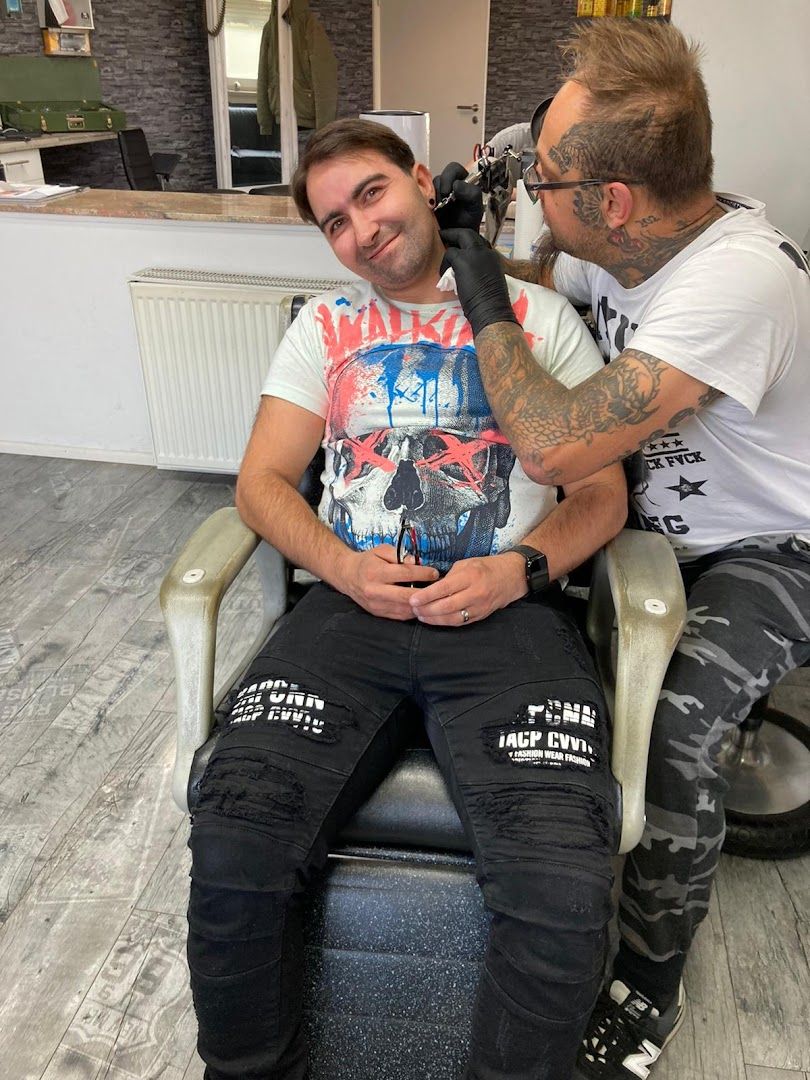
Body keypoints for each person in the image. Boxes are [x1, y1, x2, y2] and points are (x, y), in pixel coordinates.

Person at [186, 117, 630, 1080]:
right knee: (234, 840)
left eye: (371, 195)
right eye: (334, 223)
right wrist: (342, 567)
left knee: (561, 884)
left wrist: (520, 569)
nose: (360, 230)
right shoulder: (327, 328)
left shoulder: (538, 321)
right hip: (350, 613)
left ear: (422, 182)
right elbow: (262, 482)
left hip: (512, 616)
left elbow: (601, 494)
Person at [438, 17, 810, 1080]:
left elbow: (555, 442)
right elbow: (549, 305)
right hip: (645, 521)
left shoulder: (740, 280)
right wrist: (476, 239)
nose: (535, 191)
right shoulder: (621, 239)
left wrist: (473, 286)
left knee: (678, 739)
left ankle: (647, 988)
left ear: (612, 202)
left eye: (543, 179)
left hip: (766, 547)